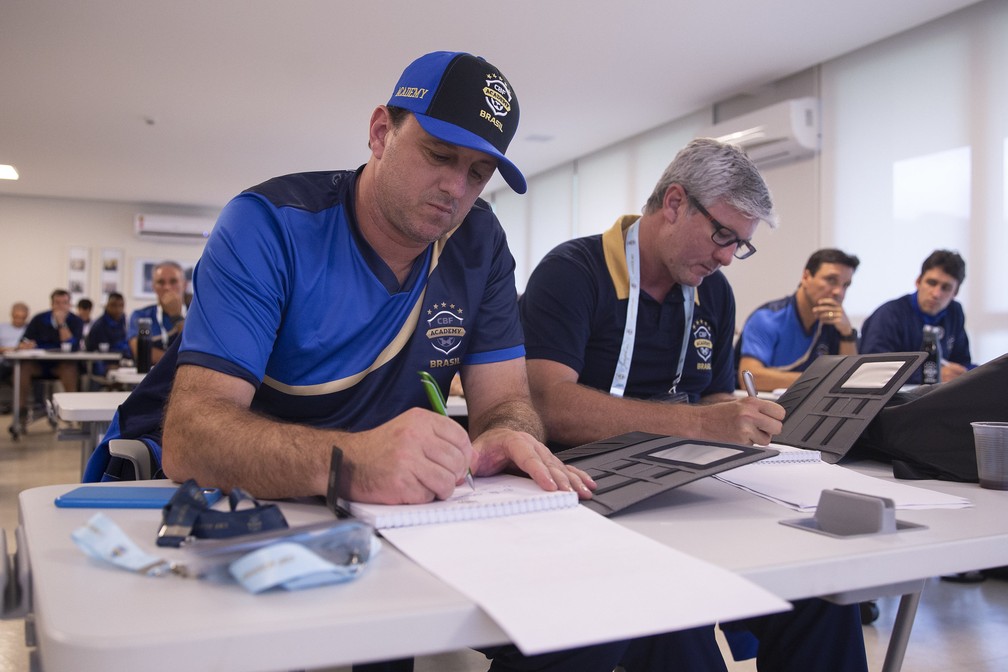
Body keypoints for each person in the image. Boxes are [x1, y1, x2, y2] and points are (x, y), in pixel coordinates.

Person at [99, 50, 705, 672]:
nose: (457, 188)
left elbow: (506, 402)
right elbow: (192, 437)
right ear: (381, 132)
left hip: (378, 509)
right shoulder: (270, 225)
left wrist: (507, 435)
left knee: (590, 619)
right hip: (253, 499)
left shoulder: (479, 242)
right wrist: (354, 459)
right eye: (440, 156)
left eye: (478, 173)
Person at [519, 139, 868, 671]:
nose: (728, 256)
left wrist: (744, 420)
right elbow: (548, 406)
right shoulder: (574, 272)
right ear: (676, 203)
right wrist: (703, 423)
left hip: (685, 492)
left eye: (740, 245)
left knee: (823, 594)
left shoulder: (714, 293)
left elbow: (717, 397)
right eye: (723, 235)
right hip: (581, 498)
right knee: (677, 622)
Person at [737, 248, 860, 392]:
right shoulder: (768, 317)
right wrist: (822, 381)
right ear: (806, 277)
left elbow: (849, 382)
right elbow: (750, 379)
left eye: (845, 285)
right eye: (831, 280)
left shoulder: (834, 325)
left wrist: (846, 333)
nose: (839, 292)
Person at [860, 249, 976, 383]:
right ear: (918, 281)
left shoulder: (955, 312)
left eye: (946, 288)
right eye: (931, 283)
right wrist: (932, 375)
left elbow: (961, 361)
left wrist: (968, 373)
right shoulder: (888, 314)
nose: (936, 294)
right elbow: (874, 371)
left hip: (941, 397)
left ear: (955, 292)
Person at [16, 289, 84, 415]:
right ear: (51, 304)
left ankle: (73, 413)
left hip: (61, 365)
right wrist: (26, 345)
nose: (61, 306)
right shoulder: (39, 319)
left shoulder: (76, 321)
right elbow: (24, 341)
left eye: (64, 303)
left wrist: (61, 324)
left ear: (69, 305)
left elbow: (72, 346)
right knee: (23, 368)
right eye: (57, 303)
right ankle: (20, 411)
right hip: (39, 364)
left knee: (70, 368)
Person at [128, 261, 186, 366]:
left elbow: (195, 350)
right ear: (153, 287)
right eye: (161, 282)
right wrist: (182, 361)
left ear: (184, 285)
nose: (167, 287)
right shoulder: (141, 315)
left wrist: (177, 317)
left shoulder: (197, 315)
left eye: (173, 281)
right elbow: (140, 352)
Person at [86, 292, 131, 376]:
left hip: (124, 360)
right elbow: (94, 349)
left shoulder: (125, 323)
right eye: (114, 305)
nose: (118, 309)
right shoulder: (99, 325)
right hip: (104, 363)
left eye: (121, 306)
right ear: (107, 305)